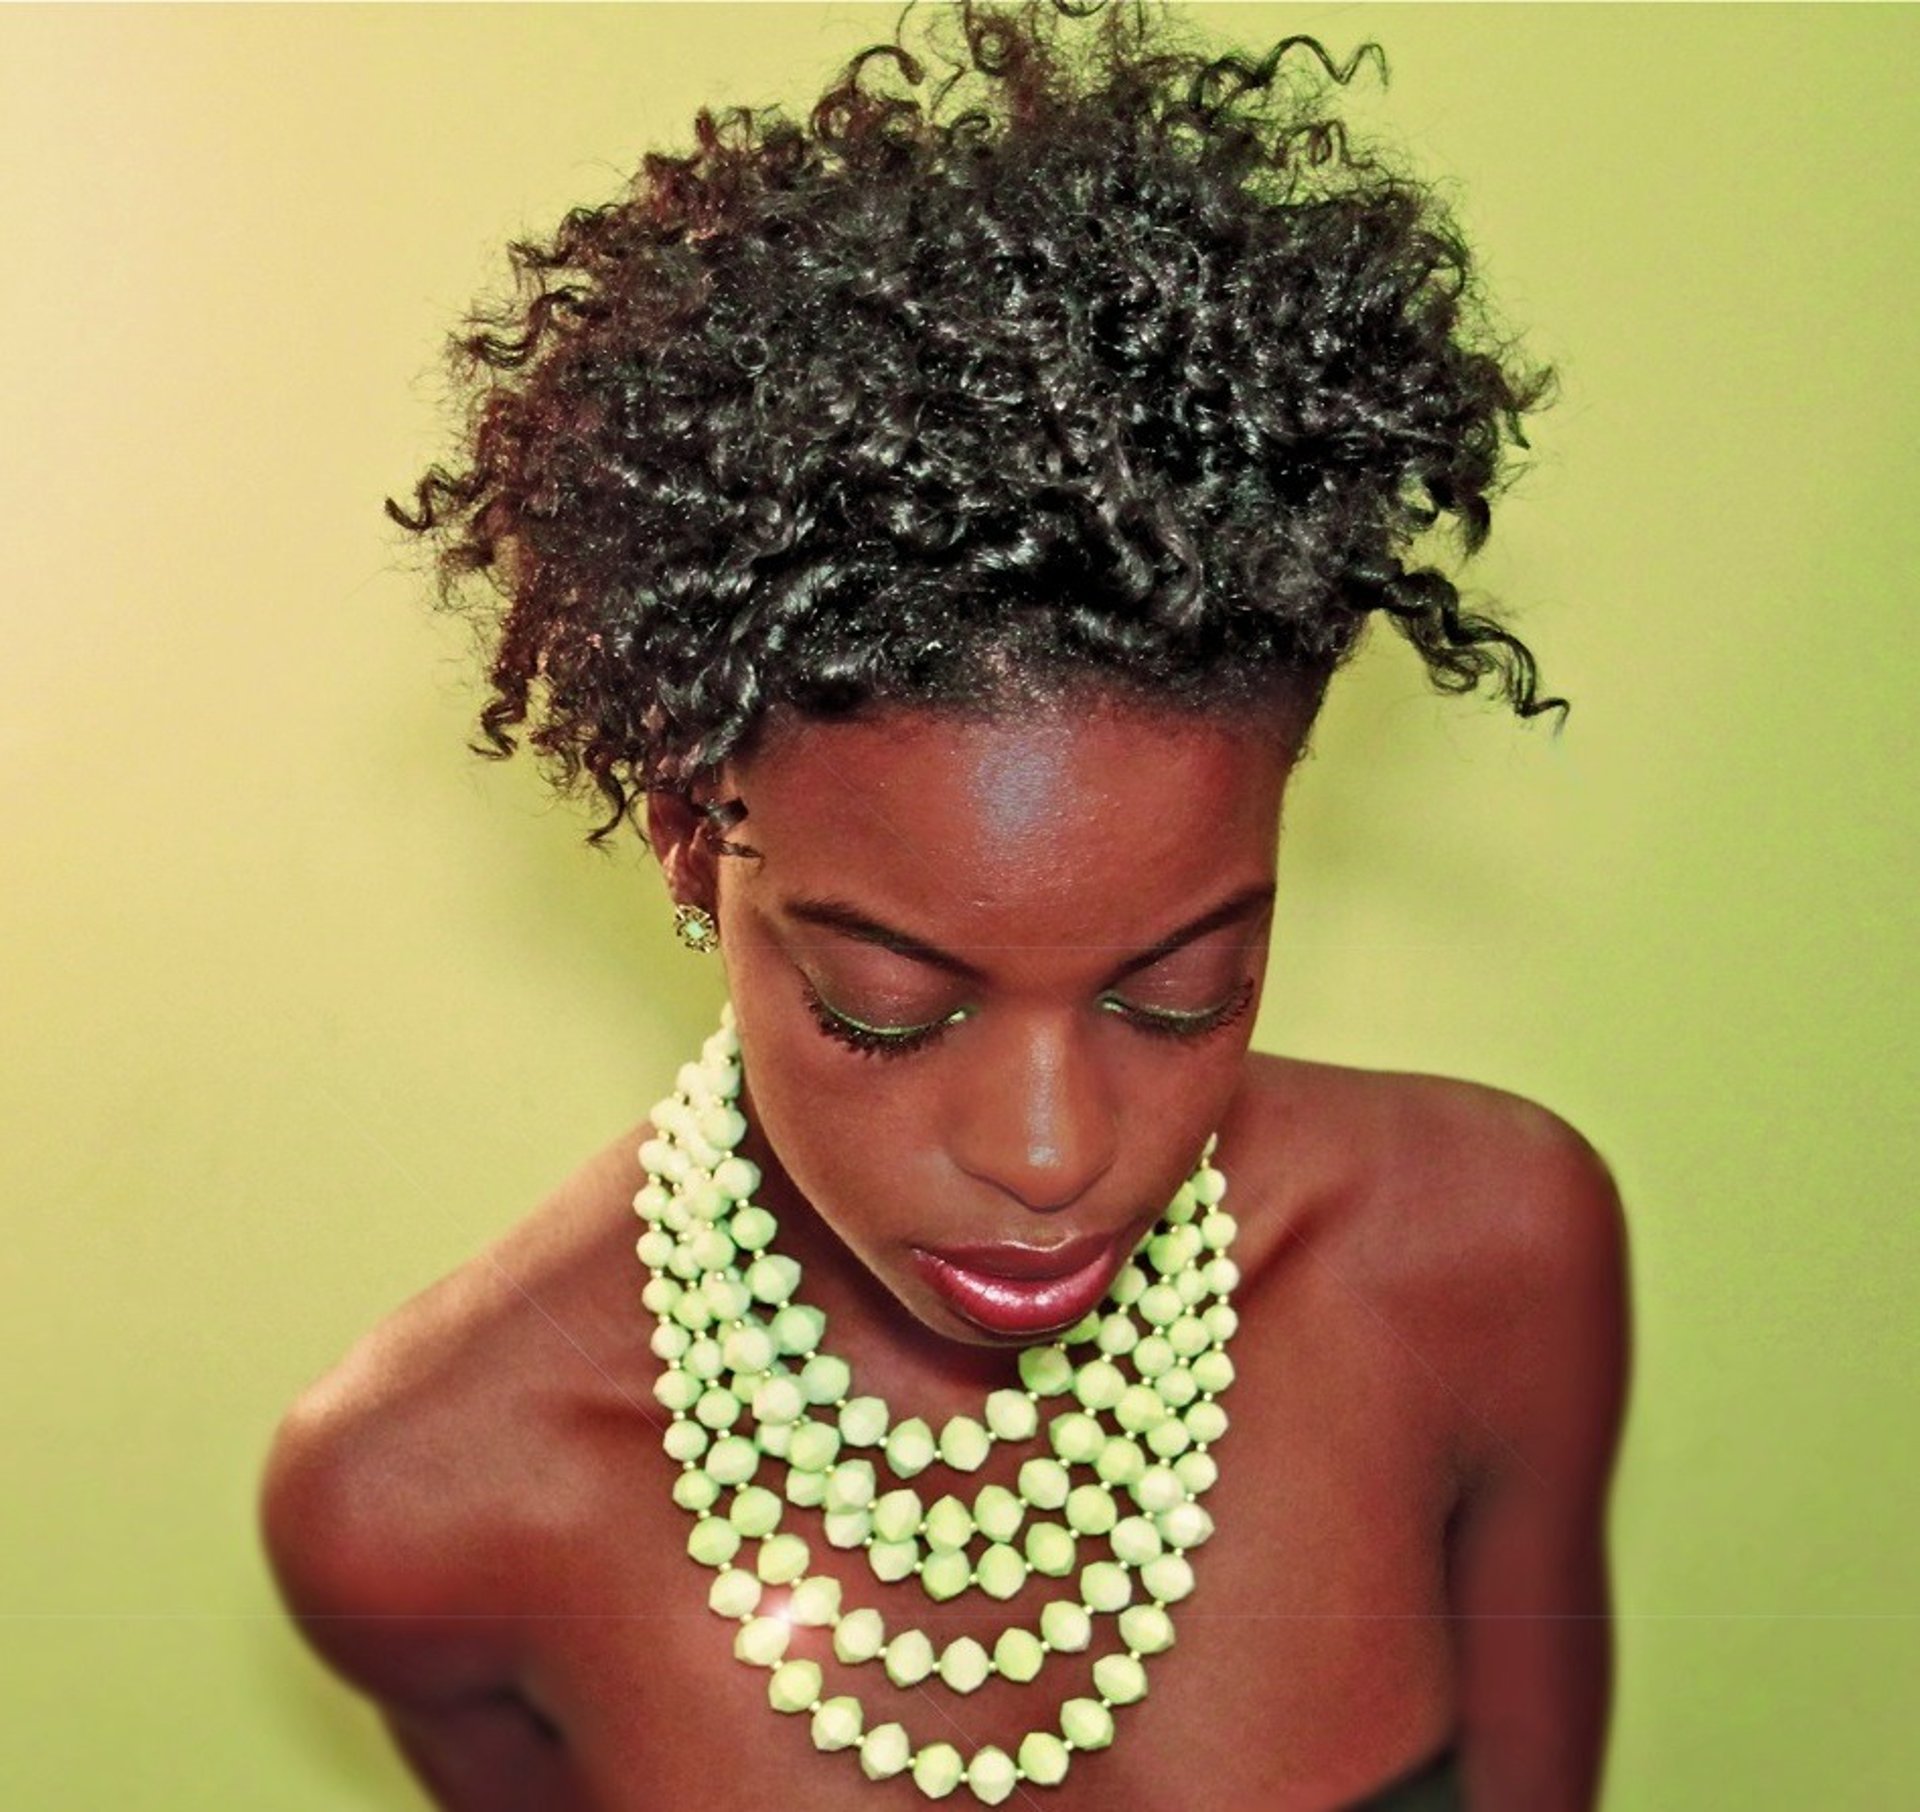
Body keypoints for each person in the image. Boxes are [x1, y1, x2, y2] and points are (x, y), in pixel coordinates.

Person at [261, 4, 1629, 1807]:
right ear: (692, 837)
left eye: (1183, 989)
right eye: (890, 1007)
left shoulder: (1486, 1263)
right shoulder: (429, 1509)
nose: (1054, 1151)